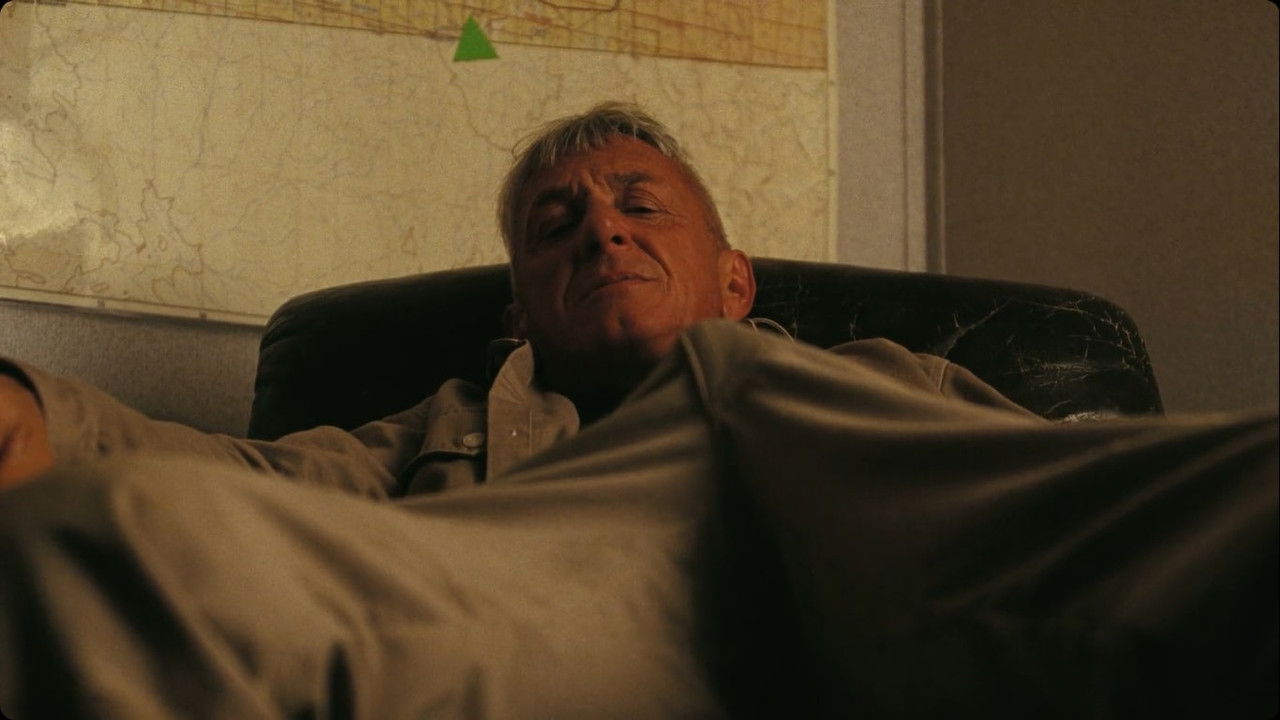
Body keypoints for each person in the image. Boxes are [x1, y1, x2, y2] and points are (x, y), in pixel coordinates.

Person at [0, 103, 1275, 719]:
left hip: (884, 548)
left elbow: (1062, 495)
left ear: (736, 277)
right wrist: (30, 407)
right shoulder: (438, 429)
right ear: (521, 312)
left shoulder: (896, 379)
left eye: (639, 206)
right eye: (557, 225)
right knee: (112, 539)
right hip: (564, 606)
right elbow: (238, 479)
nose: (600, 230)